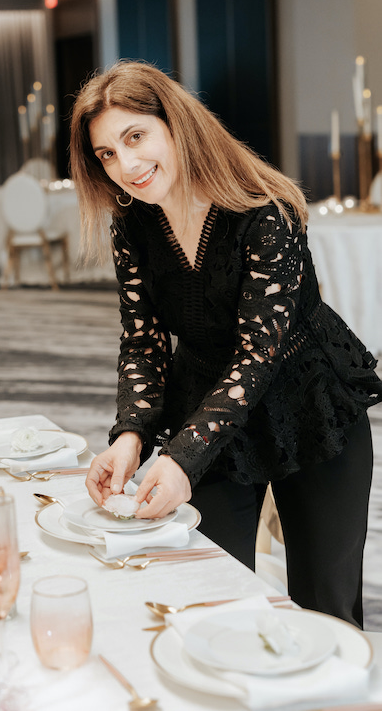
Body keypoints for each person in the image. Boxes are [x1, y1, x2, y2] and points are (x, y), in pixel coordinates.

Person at [70, 60, 382, 627]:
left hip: (309, 405)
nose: (126, 165)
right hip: (209, 407)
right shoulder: (133, 227)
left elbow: (256, 356)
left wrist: (182, 457)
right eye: (107, 153)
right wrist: (132, 434)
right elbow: (142, 341)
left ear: (175, 124)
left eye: (135, 136)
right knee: (209, 595)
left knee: (325, 612)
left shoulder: (265, 212)